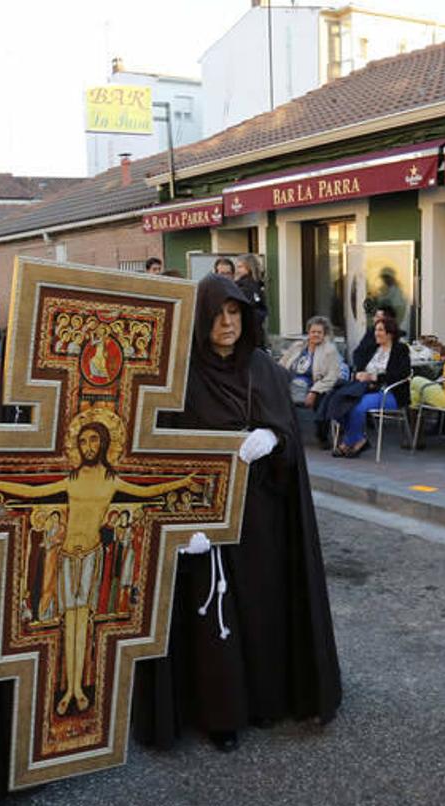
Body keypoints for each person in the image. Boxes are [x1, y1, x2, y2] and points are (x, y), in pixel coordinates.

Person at [133, 274, 342, 753]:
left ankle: (265, 700)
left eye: (235, 313)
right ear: (200, 318)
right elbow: (158, 449)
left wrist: (275, 438)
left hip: (262, 513)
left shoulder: (264, 370)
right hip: (201, 520)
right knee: (211, 616)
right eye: (217, 314)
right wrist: (175, 518)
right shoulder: (178, 376)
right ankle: (220, 713)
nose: (227, 323)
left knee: (261, 606)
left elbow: (290, 438)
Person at [0, 421, 199, 716]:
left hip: (91, 556)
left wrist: (181, 483)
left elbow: (148, 491)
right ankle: (70, 688)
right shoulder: (72, 479)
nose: (88, 447)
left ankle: (78, 687)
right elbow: (31, 491)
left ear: (103, 443)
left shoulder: (112, 480)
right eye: (83, 442)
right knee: (70, 623)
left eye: (93, 441)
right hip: (66, 555)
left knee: (84, 623)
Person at [331, 317, 410, 457]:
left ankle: (348, 442)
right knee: (339, 401)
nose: (376, 333)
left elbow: (402, 374)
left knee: (357, 406)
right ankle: (359, 439)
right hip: (365, 389)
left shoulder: (400, 350)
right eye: (375, 330)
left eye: (380, 330)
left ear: (390, 333)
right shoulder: (372, 348)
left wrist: (374, 377)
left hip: (390, 392)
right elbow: (359, 362)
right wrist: (360, 374)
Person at [278, 315, 341, 410]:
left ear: (324, 334)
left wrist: (314, 392)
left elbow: (332, 377)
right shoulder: (297, 346)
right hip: (288, 385)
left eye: (319, 332)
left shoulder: (329, 350)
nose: (316, 334)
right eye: (313, 332)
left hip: (309, 388)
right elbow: (281, 365)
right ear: (308, 333)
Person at [233, 253, 269, 333]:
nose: (237, 270)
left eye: (240, 267)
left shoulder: (245, 285)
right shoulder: (255, 284)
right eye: (237, 267)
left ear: (249, 267)